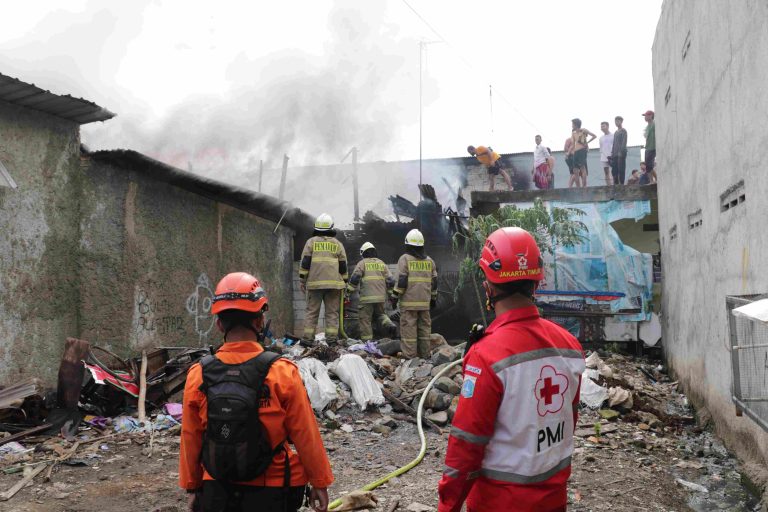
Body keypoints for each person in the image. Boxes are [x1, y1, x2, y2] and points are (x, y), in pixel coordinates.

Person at [437, 228, 585, 512]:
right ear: (536, 283)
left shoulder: (486, 355)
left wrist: (448, 506)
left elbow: (467, 445)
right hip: (554, 500)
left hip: (499, 503)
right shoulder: (570, 346)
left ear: (488, 288)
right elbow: (566, 422)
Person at [180, 272, 333, 512]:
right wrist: (320, 482)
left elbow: (191, 438)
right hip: (274, 488)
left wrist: (192, 486)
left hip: (216, 487)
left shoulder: (198, 374)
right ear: (260, 321)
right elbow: (306, 434)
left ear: (219, 323)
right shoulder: (282, 372)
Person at [299, 213, 348, 345]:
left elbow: (305, 264)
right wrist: (345, 281)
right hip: (334, 286)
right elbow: (343, 266)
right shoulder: (338, 244)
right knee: (332, 313)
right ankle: (332, 340)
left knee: (312, 312)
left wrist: (302, 280)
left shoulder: (311, 242)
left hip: (314, 285)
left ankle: (307, 340)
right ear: (332, 227)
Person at [391, 229, 438, 359]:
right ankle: (425, 356)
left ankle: (410, 358)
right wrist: (433, 298)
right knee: (424, 330)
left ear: (408, 245)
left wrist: (394, 297)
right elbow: (434, 282)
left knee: (409, 331)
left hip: (409, 304)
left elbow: (402, 281)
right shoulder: (430, 261)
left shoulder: (404, 259)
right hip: (424, 304)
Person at [347, 242, 396, 340]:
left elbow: (355, 278)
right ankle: (390, 325)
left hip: (367, 299)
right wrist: (391, 295)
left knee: (365, 320)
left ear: (364, 253)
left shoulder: (363, 263)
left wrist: (348, 292)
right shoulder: (381, 263)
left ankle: (367, 342)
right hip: (380, 298)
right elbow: (391, 281)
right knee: (381, 314)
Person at [571, 118, 597, 188]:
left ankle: (584, 186)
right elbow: (573, 144)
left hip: (582, 150)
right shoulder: (573, 133)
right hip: (576, 152)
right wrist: (569, 152)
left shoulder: (584, 130)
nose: (572, 125)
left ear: (576, 124)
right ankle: (578, 187)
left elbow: (594, 136)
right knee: (575, 170)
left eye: (573, 124)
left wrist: (587, 143)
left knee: (583, 168)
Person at [611, 116, 628, 185]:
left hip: (621, 153)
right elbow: (614, 143)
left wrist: (621, 151)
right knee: (614, 170)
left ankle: (622, 184)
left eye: (618, 121)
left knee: (621, 169)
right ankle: (616, 184)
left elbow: (624, 142)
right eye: (615, 121)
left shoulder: (623, 131)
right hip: (615, 153)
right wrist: (612, 153)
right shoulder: (615, 132)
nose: (616, 123)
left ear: (621, 121)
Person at [643, 110, 657, 183]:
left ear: (651, 116)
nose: (645, 117)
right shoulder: (647, 127)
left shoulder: (654, 124)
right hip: (648, 147)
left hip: (653, 146)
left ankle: (655, 179)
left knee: (650, 164)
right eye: (645, 116)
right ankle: (651, 180)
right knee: (647, 165)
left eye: (646, 115)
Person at [598, 121, 614, 186]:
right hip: (604, 157)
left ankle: (615, 184)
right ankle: (608, 186)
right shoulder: (601, 138)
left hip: (612, 156)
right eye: (601, 127)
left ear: (607, 126)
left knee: (614, 171)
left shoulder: (613, 135)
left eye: (603, 126)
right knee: (606, 172)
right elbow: (601, 148)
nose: (602, 128)